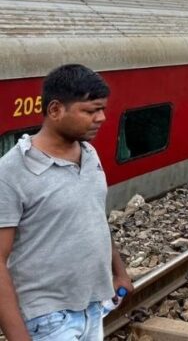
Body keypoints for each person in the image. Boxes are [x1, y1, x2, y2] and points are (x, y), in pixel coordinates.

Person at [0, 64, 133, 341]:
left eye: (102, 109)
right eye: (90, 111)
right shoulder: (11, 172)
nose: (102, 118)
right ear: (55, 110)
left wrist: (119, 272)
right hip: (48, 319)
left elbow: (94, 217)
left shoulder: (89, 153)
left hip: (92, 308)